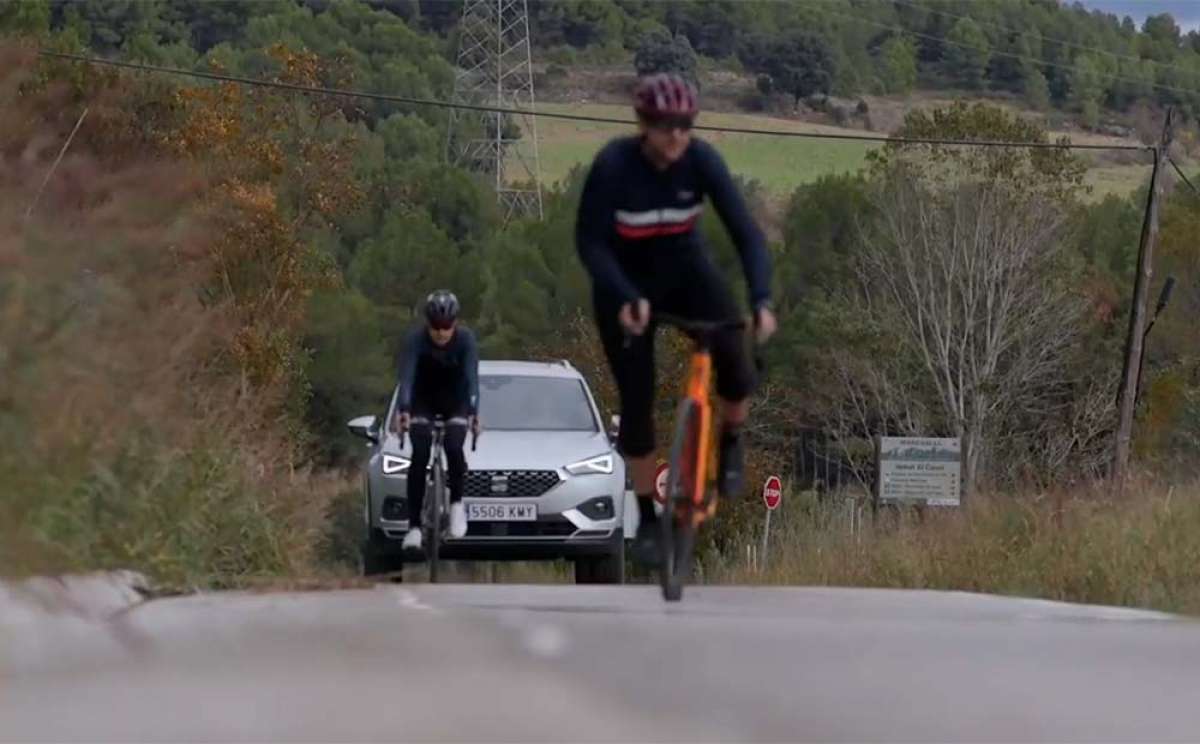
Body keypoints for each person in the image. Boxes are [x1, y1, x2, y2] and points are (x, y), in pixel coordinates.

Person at [574, 73, 777, 564]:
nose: (678, 137)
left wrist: (762, 300)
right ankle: (646, 516)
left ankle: (729, 440)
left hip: (687, 272)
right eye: (667, 127)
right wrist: (624, 295)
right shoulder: (614, 167)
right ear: (644, 125)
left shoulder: (701, 161)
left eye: (686, 126)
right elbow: (591, 244)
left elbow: (747, 235)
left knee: (736, 360)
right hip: (624, 285)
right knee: (637, 400)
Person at [392, 290, 481, 553]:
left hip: (456, 399)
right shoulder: (415, 340)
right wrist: (403, 409)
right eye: (436, 327)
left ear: (455, 323)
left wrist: (474, 412)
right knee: (419, 453)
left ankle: (456, 504)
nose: (441, 333)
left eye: (447, 327)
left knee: (454, 446)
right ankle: (414, 527)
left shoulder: (465, 340)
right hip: (423, 400)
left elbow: (472, 379)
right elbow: (406, 378)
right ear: (427, 324)